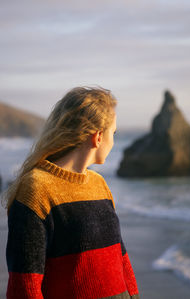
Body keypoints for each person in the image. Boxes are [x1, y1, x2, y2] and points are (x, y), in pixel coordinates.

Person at [4, 86, 140, 298]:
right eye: (113, 133)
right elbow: (25, 285)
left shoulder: (99, 184)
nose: (113, 141)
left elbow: (121, 258)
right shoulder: (36, 189)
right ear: (98, 137)